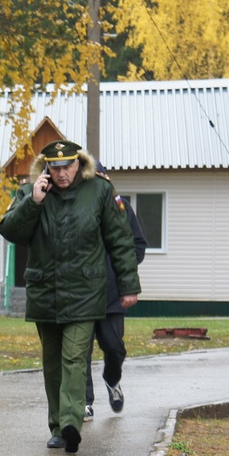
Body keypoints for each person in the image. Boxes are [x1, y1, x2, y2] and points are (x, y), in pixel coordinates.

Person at [0, 140, 141, 454]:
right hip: (44, 291)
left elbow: (120, 240)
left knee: (75, 358)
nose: (61, 173)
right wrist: (33, 202)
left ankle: (71, 424)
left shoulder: (100, 191)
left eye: (67, 166)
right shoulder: (30, 191)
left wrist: (129, 286)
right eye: (55, 166)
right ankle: (57, 426)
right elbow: (10, 231)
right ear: (46, 166)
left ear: (79, 164)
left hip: (85, 292)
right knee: (52, 363)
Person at [83, 163, 147, 421]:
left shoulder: (121, 207)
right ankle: (85, 402)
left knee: (114, 347)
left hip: (112, 294)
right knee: (80, 352)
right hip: (82, 295)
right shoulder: (79, 208)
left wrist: (121, 268)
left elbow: (138, 244)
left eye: (101, 177)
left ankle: (112, 380)